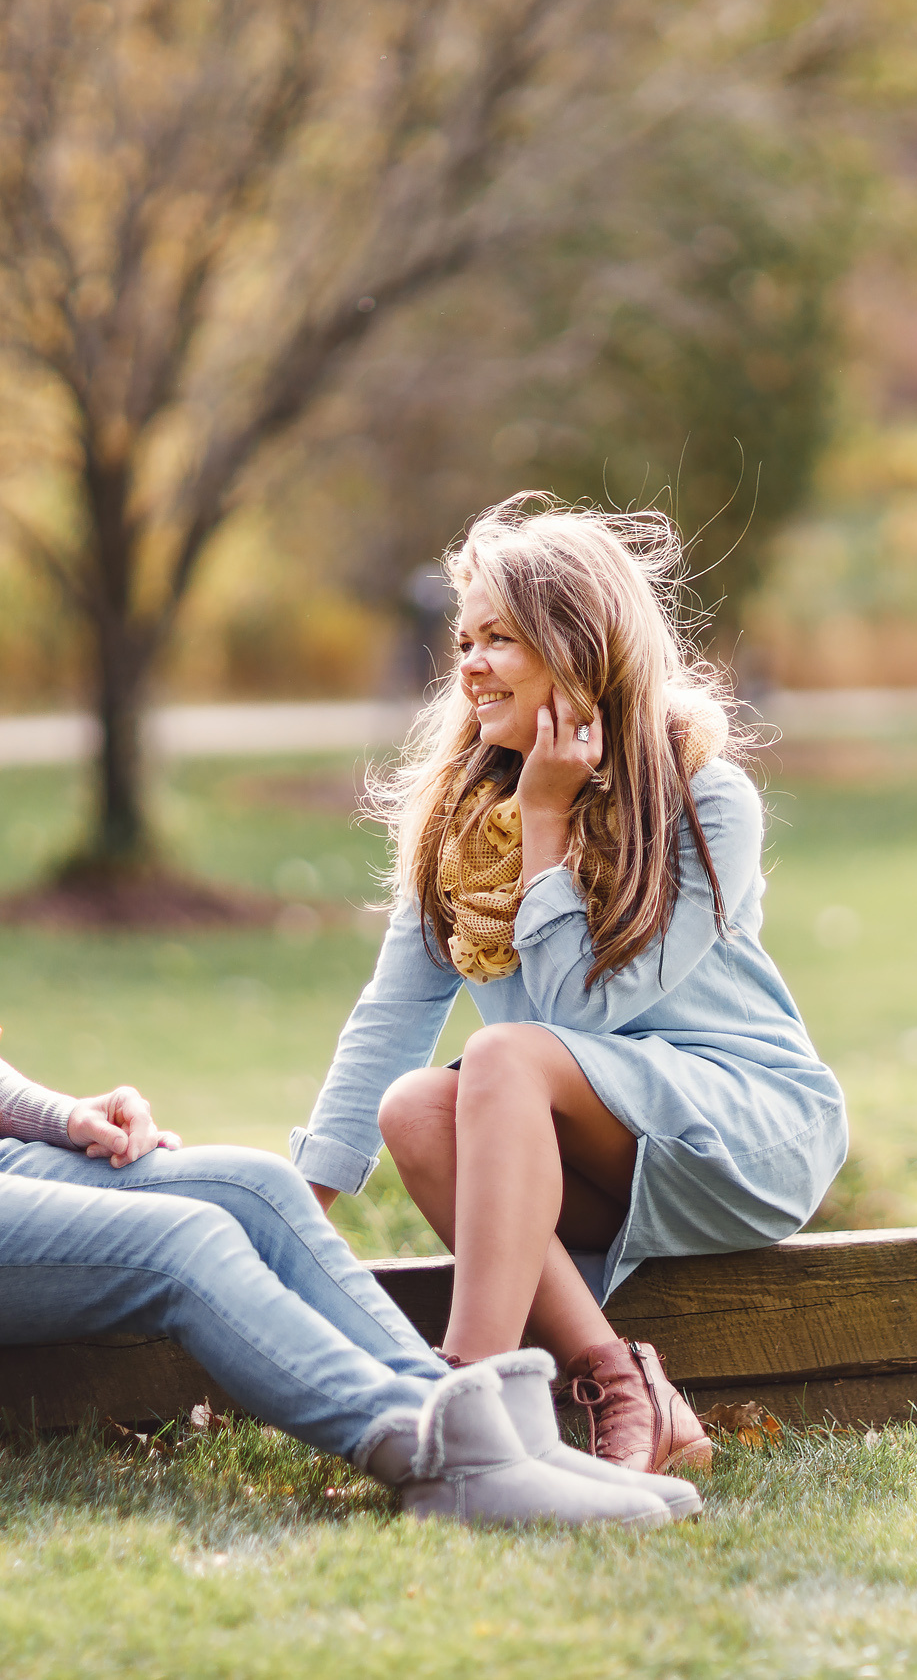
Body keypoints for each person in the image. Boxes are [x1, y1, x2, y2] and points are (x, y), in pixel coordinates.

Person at [0, 481, 696, 1527]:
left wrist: (55, 1116)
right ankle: (428, 1456)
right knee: (180, 1245)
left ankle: (492, 1439)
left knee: (257, 1190)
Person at [294, 494, 849, 1476]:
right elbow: (393, 1014)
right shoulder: (465, 821)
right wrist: (303, 1206)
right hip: (595, 1155)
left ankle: (459, 1391)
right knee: (417, 1106)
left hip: (747, 1129)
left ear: (579, 646)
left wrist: (548, 823)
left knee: (504, 1053)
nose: (467, 664)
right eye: (463, 639)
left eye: (499, 639)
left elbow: (576, 1014)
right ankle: (621, 1382)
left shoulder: (702, 797)